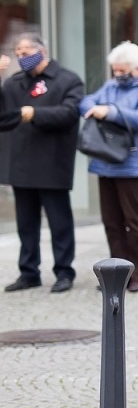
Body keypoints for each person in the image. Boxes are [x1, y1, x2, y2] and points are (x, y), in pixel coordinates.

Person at [0, 36, 83, 293]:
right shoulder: (14, 84)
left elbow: (70, 113)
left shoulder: (67, 80)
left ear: (42, 51)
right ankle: (29, 271)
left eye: (26, 51)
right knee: (26, 223)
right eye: (18, 52)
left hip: (52, 162)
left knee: (59, 222)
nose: (22, 56)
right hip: (21, 163)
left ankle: (64, 271)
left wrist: (35, 113)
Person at [79, 42, 138, 293]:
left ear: (136, 68)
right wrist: (93, 109)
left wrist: (110, 112)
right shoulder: (110, 86)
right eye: (114, 69)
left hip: (135, 167)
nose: (117, 73)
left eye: (121, 69)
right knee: (111, 222)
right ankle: (116, 274)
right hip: (107, 163)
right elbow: (86, 101)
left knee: (134, 223)